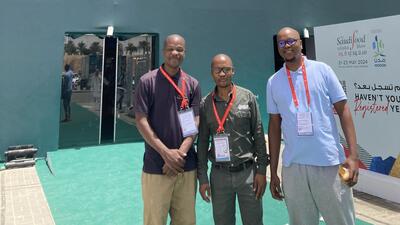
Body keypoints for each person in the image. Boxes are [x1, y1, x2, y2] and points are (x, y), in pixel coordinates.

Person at [266, 27, 359, 225]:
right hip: (294, 167)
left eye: (291, 41)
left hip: (329, 163)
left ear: (300, 42)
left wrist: (353, 156)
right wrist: (273, 171)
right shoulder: (273, 82)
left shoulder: (322, 70)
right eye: (282, 43)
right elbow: (274, 126)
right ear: (278, 48)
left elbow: (343, 110)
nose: (287, 46)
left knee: (341, 220)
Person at [134, 34, 201, 225]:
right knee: (154, 220)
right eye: (171, 48)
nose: (175, 53)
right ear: (163, 51)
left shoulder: (192, 84)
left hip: (185, 167)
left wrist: (179, 154)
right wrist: (165, 154)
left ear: (184, 52)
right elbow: (141, 120)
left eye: (179, 49)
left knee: (186, 221)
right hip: (156, 167)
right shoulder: (147, 81)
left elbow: (194, 122)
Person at [197, 54, 269, 225]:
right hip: (219, 176)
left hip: (248, 174)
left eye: (226, 70)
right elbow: (201, 143)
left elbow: (258, 134)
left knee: (254, 221)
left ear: (233, 71)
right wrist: (203, 178)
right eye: (218, 70)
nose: (222, 74)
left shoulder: (248, 97)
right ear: (212, 73)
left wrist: (261, 171)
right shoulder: (205, 104)